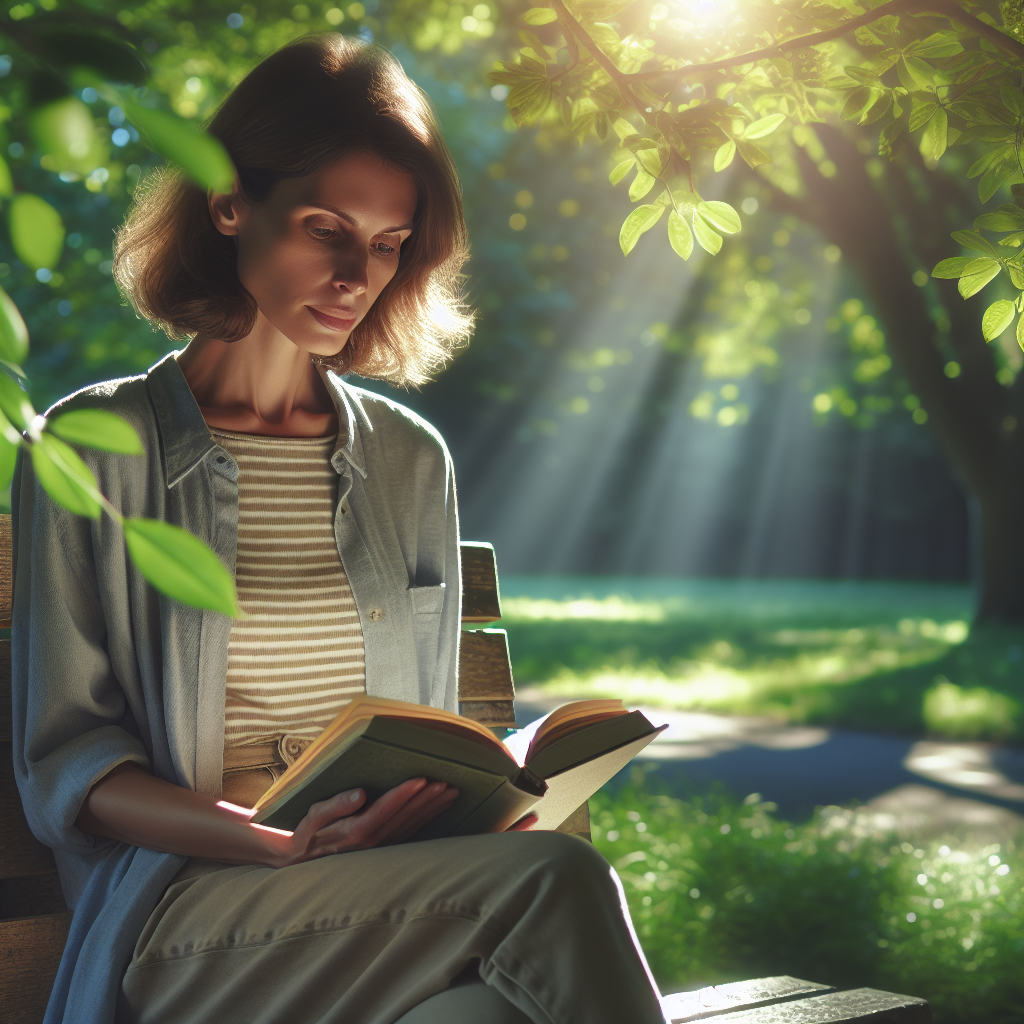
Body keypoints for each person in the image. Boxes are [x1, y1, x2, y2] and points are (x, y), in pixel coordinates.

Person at [11, 35, 666, 1024]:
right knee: (554, 881)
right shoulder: (96, 446)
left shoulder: (411, 461)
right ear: (230, 203)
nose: (358, 273)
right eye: (327, 227)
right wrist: (276, 839)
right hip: (188, 910)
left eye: (389, 243)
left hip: (389, 904)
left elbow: (437, 735)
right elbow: (69, 764)